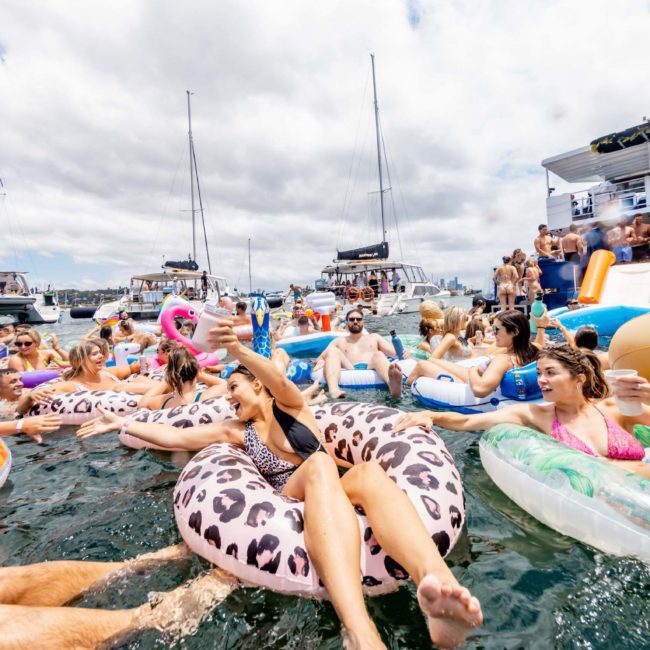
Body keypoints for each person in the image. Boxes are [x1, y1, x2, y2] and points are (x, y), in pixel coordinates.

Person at [69, 320, 483, 649]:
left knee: (370, 474)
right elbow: (175, 439)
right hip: (287, 498)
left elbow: (280, 381)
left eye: (234, 386)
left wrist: (237, 350)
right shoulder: (236, 432)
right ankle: (359, 631)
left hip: (333, 494)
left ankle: (438, 587)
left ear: (258, 386)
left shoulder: (292, 406)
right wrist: (120, 422)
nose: (227, 396)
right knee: (321, 465)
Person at [396, 345, 649, 479]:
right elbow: (466, 422)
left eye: (550, 373)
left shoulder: (614, 409)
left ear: (578, 379)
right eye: (539, 373)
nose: (541, 380)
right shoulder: (536, 414)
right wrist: (431, 416)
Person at [407, 310, 540, 393]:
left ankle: (404, 391)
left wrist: (473, 370)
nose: (493, 333)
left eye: (496, 330)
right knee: (431, 361)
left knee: (422, 365)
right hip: (481, 373)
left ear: (515, 332)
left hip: (474, 380)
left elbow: (479, 389)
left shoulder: (503, 360)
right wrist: (541, 327)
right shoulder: (534, 348)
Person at [318, 309, 406, 398]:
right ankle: (334, 390)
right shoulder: (339, 341)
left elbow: (395, 354)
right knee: (333, 351)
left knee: (379, 354)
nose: (355, 321)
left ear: (363, 322)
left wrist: (405, 352)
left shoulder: (374, 337)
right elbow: (321, 357)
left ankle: (392, 384)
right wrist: (321, 361)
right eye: (352, 319)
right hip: (349, 367)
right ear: (347, 322)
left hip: (371, 365)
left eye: (358, 319)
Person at [51, 340, 155, 395]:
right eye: (95, 354)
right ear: (82, 360)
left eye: (100, 352)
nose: (101, 356)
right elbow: (45, 393)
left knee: (138, 379)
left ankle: (167, 388)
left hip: (149, 394)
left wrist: (143, 364)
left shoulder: (107, 372)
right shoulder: (73, 385)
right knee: (121, 387)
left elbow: (132, 368)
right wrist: (34, 394)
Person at [137, 348, 226, 410]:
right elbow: (224, 384)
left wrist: (166, 380)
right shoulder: (204, 397)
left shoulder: (164, 401)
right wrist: (201, 375)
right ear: (196, 373)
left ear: (170, 376)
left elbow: (142, 404)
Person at [0, 368, 62, 441]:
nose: (20, 384)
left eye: (20, 379)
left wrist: (29, 398)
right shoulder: (2, 403)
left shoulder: (31, 394)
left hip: (39, 434)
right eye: (13, 382)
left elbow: (20, 411)